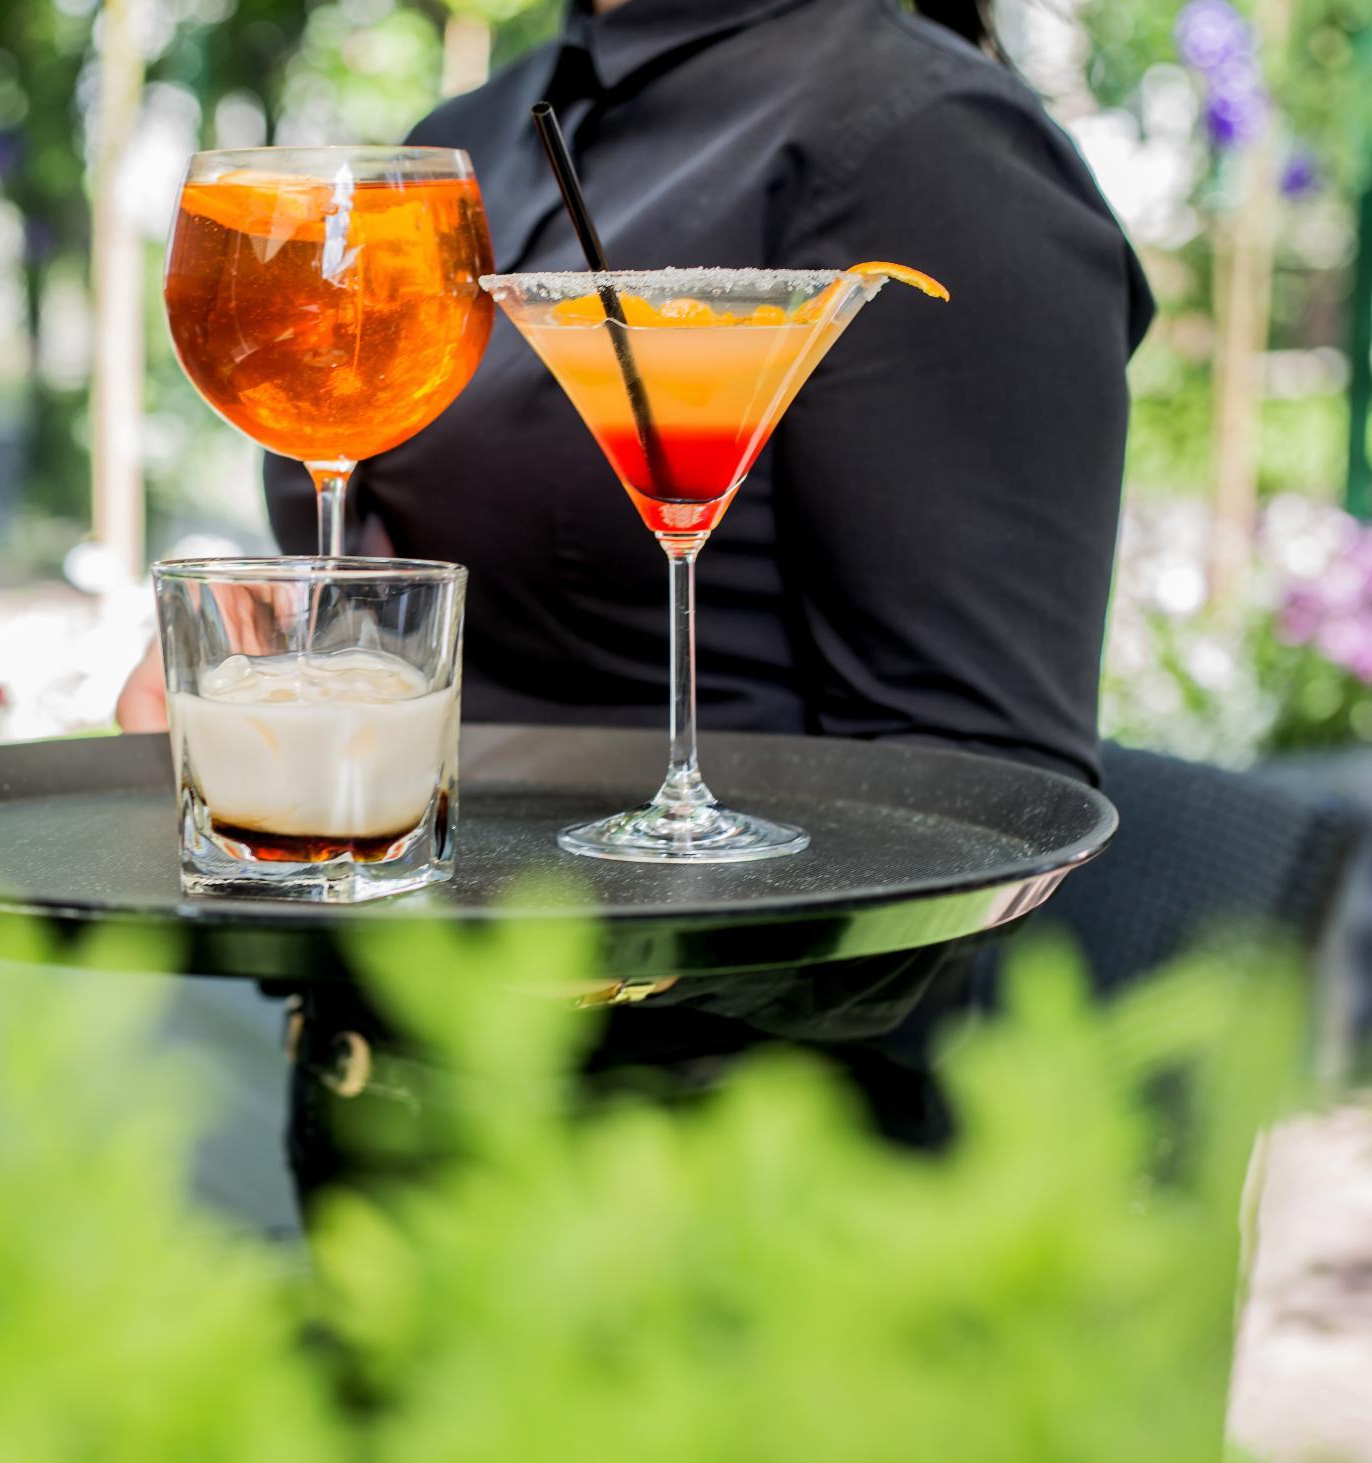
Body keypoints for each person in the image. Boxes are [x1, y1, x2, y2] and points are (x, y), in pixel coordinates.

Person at [118, 0, 1154, 1189]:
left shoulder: (923, 143)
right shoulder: (475, 135)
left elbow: (987, 803)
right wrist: (283, 682)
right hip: (375, 1104)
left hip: (718, 1166)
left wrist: (580, 940)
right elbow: (403, 580)